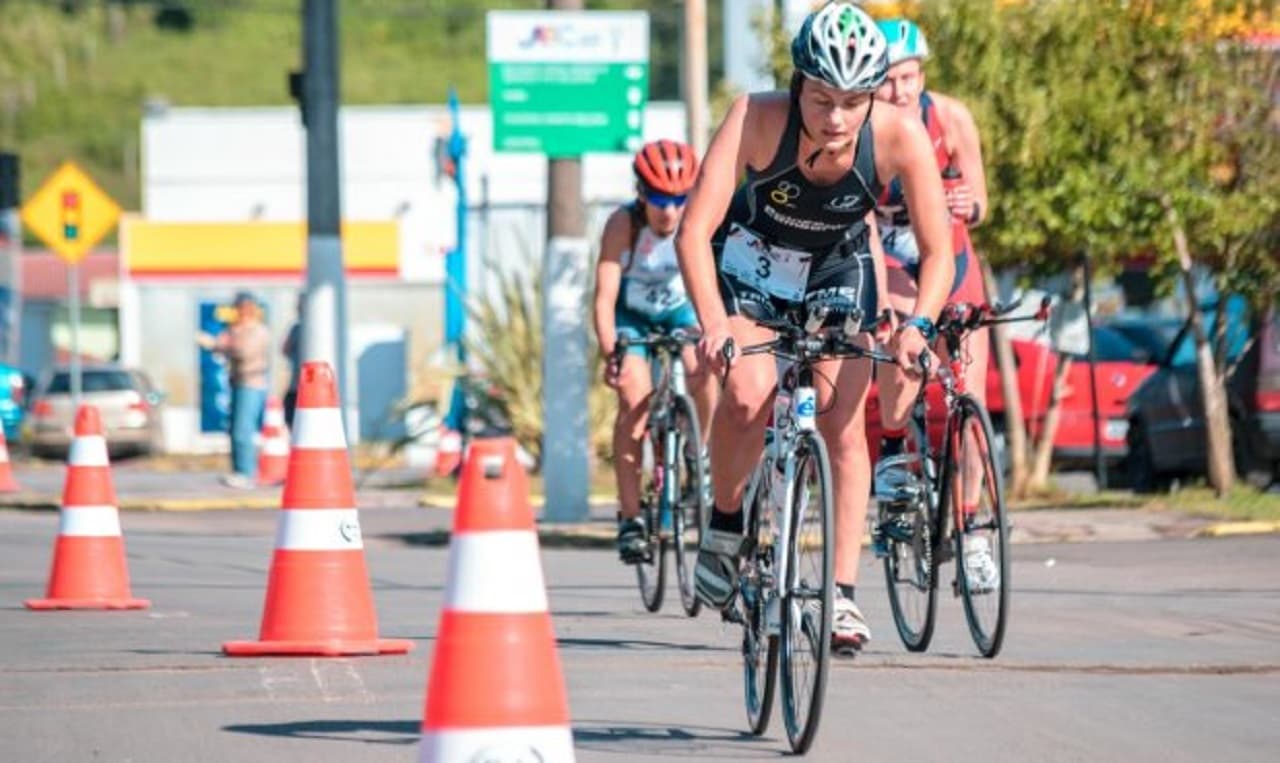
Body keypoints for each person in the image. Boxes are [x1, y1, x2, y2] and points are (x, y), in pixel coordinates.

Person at [676, 2, 955, 653]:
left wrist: (917, 325)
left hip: (836, 261)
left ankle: (841, 595)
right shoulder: (756, 117)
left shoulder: (898, 134)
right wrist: (715, 324)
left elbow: (938, 251)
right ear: (799, 82)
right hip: (752, 261)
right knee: (746, 392)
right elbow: (693, 232)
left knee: (843, 425)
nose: (835, 118)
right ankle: (724, 523)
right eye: (822, 98)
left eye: (852, 102)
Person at [871, 18, 997, 590]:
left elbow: (983, 202)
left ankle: (971, 533)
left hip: (954, 259)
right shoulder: (865, 131)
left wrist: (969, 202)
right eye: (889, 80)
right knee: (904, 343)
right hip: (895, 261)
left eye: (910, 77)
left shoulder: (950, 117)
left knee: (971, 400)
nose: (901, 91)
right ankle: (895, 455)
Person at [594, 139, 718, 563]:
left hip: (680, 312)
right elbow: (605, 298)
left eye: (680, 199)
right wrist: (611, 352)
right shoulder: (622, 225)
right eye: (661, 199)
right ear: (642, 194)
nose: (670, 210)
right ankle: (631, 519)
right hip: (634, 317)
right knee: (634, 401)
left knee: (702, 364)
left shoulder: (700, 223)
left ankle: (698, 450)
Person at [198, 291, 271, 489]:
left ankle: (247, 473)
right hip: (237, 382)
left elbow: (244, 351)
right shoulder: (234, 329)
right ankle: (239, 470)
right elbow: (221, 343)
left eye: (243, 308)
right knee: (234, 429)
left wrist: (220, 343)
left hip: (251, 384)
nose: (240, 312)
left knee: (242, 429)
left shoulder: (257, 331)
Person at [281, 293, 303, 429]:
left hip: (300, 387)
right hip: (296, 386)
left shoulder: (297, 329)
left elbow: (285, 349)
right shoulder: (296, 328)